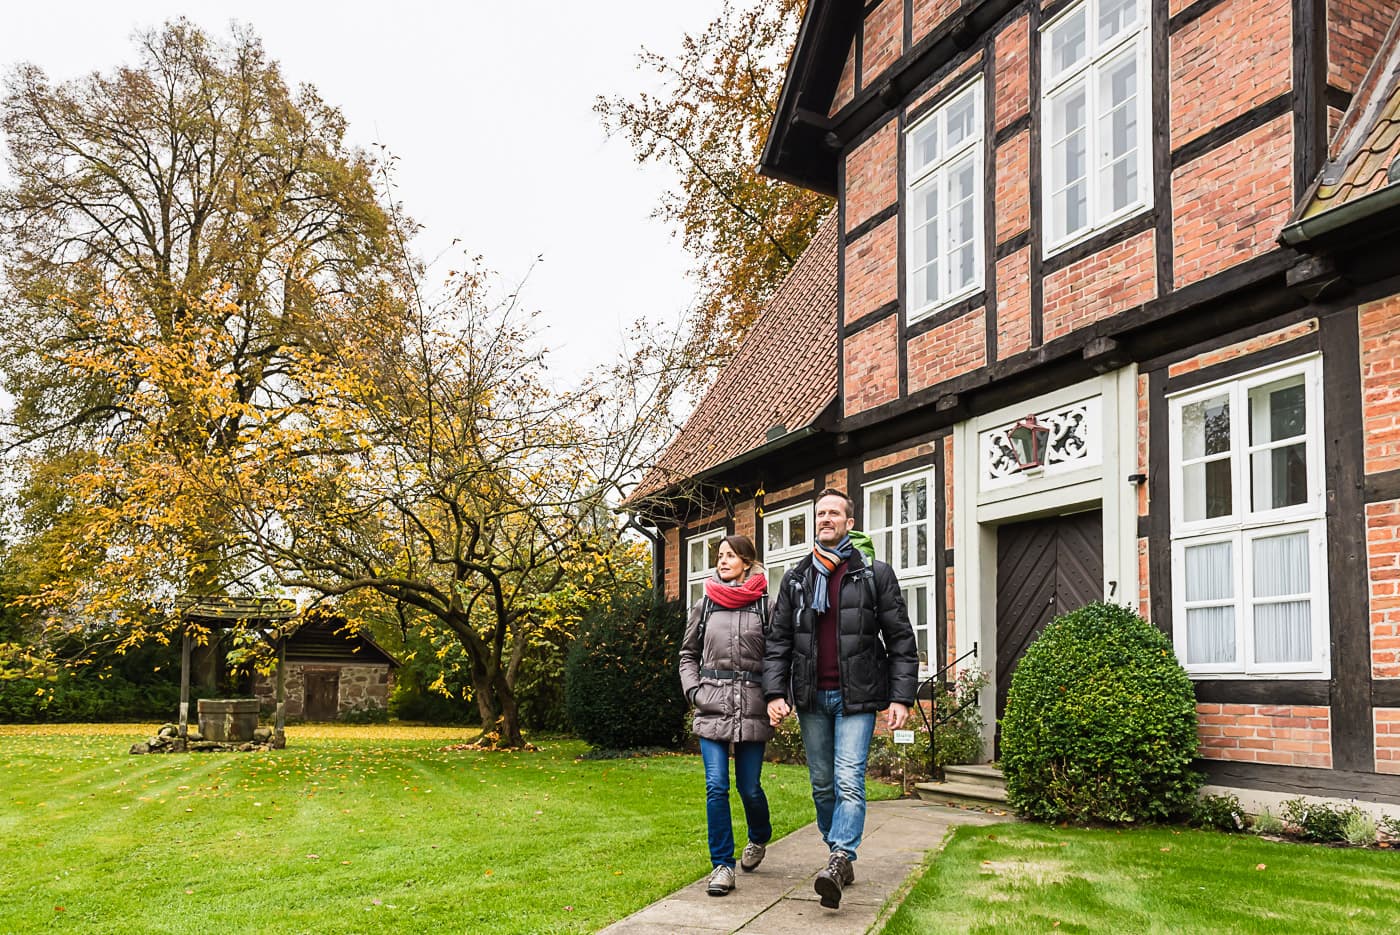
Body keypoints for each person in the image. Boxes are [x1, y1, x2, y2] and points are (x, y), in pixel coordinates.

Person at [763, 488, 918, 910]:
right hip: (813, 697)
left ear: (849, 523)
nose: (826, 518)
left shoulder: (873, 573)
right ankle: (839, 856)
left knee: (850, 779)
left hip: (859, 698)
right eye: (820, 513)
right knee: (822, 785)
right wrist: (775, 692)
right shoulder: (797, 578)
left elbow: (901, 638)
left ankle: (839, 856)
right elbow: (778, 641)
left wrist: (901, 698)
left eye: (834, 513)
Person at [678, 534, 774, 897]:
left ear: (747, 562)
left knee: (749, 788)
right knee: (716, 786)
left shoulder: (765, 605)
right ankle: (722, 865)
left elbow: (778, 656)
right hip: (711, 705)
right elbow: (687, 654)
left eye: (730, 555)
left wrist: (777, 697)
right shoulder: (705, 606)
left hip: (752, 706)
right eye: (719, 556)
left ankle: (759, 836)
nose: (722, 561)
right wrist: (694, 691)